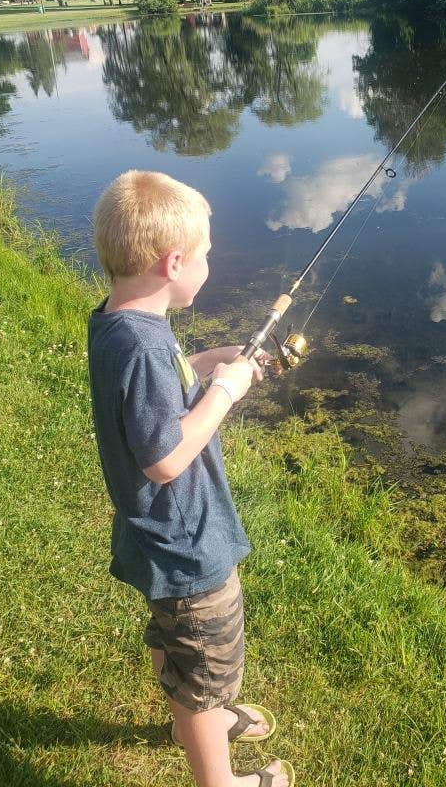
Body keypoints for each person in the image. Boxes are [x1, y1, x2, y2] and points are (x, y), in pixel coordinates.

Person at [87, 169, 293, 787]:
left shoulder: (120, 321)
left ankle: (201, 716)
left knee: (179, 642)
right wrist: (224, 394)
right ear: (174, 263)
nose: (212, 261)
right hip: (185, 546)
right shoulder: (142, 345)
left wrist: (206, 363)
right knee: (206, 665)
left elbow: (151, 390)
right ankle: (218, 772)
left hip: (153, 533)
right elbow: (167, 457)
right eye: (206, 253)